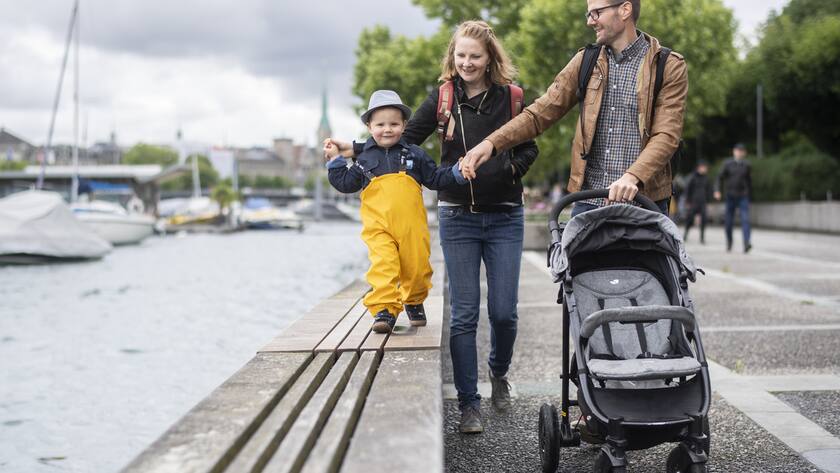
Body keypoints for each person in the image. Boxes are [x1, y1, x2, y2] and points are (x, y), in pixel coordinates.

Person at [328, 20, 538, 434]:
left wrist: (509, 169)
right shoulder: (442, 98)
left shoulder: (512, 99)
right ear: (452, 57)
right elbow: (399, 138)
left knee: (504, 313)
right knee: (463, 314)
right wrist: (350, 148)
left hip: (504, 215)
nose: (467, 63)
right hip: (458, 215)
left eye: (475, 56)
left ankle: (498, 371)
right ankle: (468, 405)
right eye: (460, 56)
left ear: (490, 58)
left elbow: (529, 145)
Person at [461, 0, 688, 218]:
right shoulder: (586, 61)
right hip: (589, 203)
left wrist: (632, 177)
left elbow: (666, 136)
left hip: (645, 202)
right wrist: (491, 144)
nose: (590, 21)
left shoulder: (668, 66)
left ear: (625, 10)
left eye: (596, 12)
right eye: (589, 14)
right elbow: (539, 113)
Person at [324, 90, 468, 333]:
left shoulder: (415, 154)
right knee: (383, 265)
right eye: (380, 124)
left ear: (404, 125)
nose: (387, 129)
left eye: (394, 123)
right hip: (379, 228)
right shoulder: (364, 158)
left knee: (417, 267)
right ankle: (384, 310)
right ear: (369, 127)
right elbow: (346, 184)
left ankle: (413, 300)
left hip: (412, 228)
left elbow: (434, 178)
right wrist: (336, 162)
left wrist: (456, 172)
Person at [714, 143, 752, 253]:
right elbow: (719, 178)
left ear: (744, 153)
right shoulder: (727, 164)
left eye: (741, 151)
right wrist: (717, 190)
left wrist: (749, 196)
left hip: (743, 196)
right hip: (730, 196)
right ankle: (729, 241)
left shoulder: (747, 165)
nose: (739, 153)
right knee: (729, 222)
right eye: (737, 150)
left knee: (745, 220)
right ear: (734, 151)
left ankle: (746, 243)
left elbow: (749, 182)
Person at [683, 160, 712, 243]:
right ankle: (685, 234)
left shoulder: (707, 178)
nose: (704, 169)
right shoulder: (693, 177)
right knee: (690, 219)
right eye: (703, 167)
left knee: (704, 220)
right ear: (699, 168)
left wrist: (709, 203)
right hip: (693, 202)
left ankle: (702, 238)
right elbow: (688, 189)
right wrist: (687, 201)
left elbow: (709, 191)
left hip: (703, 202)